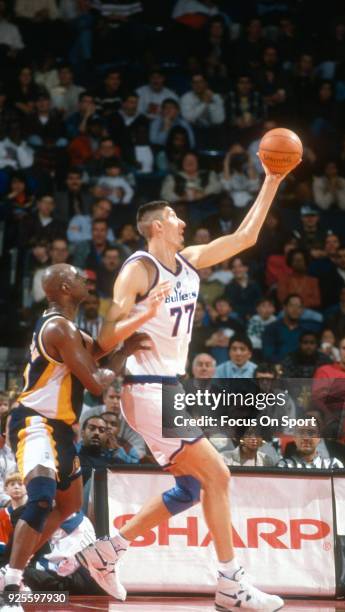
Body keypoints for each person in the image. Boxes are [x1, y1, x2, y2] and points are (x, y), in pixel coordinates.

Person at [68, 156, 295, 609]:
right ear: (155, 227)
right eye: (174, 217)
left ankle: (105, 551)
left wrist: (272, 180)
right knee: (220, 474)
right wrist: (143, 313)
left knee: (191, 488)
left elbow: (246, 237)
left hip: (169, 387)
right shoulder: (139, 268)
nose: (183, 221)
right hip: (149, 389)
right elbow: (104, 337)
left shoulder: (188, 262)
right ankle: (231, 583)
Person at [2, 263, 143, 595]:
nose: (86, 279)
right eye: (80, 277)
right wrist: (126, 353)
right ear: (64, 286)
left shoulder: (70, 329)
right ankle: (10, 583)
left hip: (61, 429)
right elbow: (96, 382)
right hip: (35, 422)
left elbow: (98, 351)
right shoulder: (59, 329)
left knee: (69, 505)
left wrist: (136, 317)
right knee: (40, 500)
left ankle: (11, 568)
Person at [276, 420, 344, 469]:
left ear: (319, 438)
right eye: (301, 433)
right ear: (295, 438)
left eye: (311, 433)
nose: (306, 438)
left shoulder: (333, 465)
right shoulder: (284, 466)